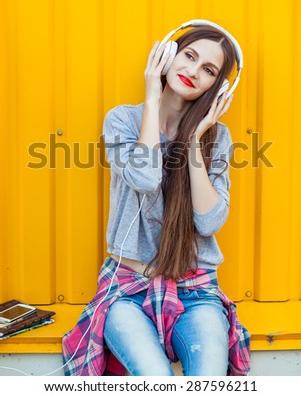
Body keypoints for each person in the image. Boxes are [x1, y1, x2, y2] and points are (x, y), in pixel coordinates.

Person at [62, 21, 250, 377]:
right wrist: (152, 96)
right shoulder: (123, 120)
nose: (193, 71)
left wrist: (194, 139)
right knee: (156, 379)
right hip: (126, 288)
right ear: (167, 55)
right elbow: (145, 180)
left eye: (208, 70)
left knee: (208, 379)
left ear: (219, 87)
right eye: (189, 56)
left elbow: (209, 222)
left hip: (195, 290)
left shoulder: (217, 137)